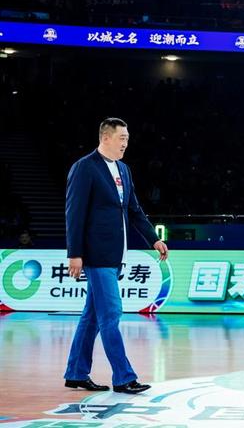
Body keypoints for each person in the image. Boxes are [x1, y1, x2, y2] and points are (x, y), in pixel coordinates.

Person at [63, 117, 169, 394]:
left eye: (127, 139)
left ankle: (76, 372)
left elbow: (134, 210)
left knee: (92, 316)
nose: (125, 143)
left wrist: (154, 238)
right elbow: (74, 213)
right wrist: (75, 253)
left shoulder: (123, 169)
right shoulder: (85, 167)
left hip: (115, 254)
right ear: (106, 138)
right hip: (96, 255)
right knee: (111, 314)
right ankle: (123, 377)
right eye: (122, 138)